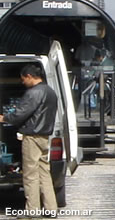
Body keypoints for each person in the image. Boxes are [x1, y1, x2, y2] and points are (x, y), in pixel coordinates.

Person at [0, 64, 58, 215]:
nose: (23, 82)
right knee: (44, 173)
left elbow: (20, 114)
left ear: (30, 76)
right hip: (45, 136)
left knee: (30, 175)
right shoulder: (50, 91)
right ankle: (51, 208)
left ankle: (32, 211)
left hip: (32, 137)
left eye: (23, 79)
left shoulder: (33, 93)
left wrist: (4, 118)